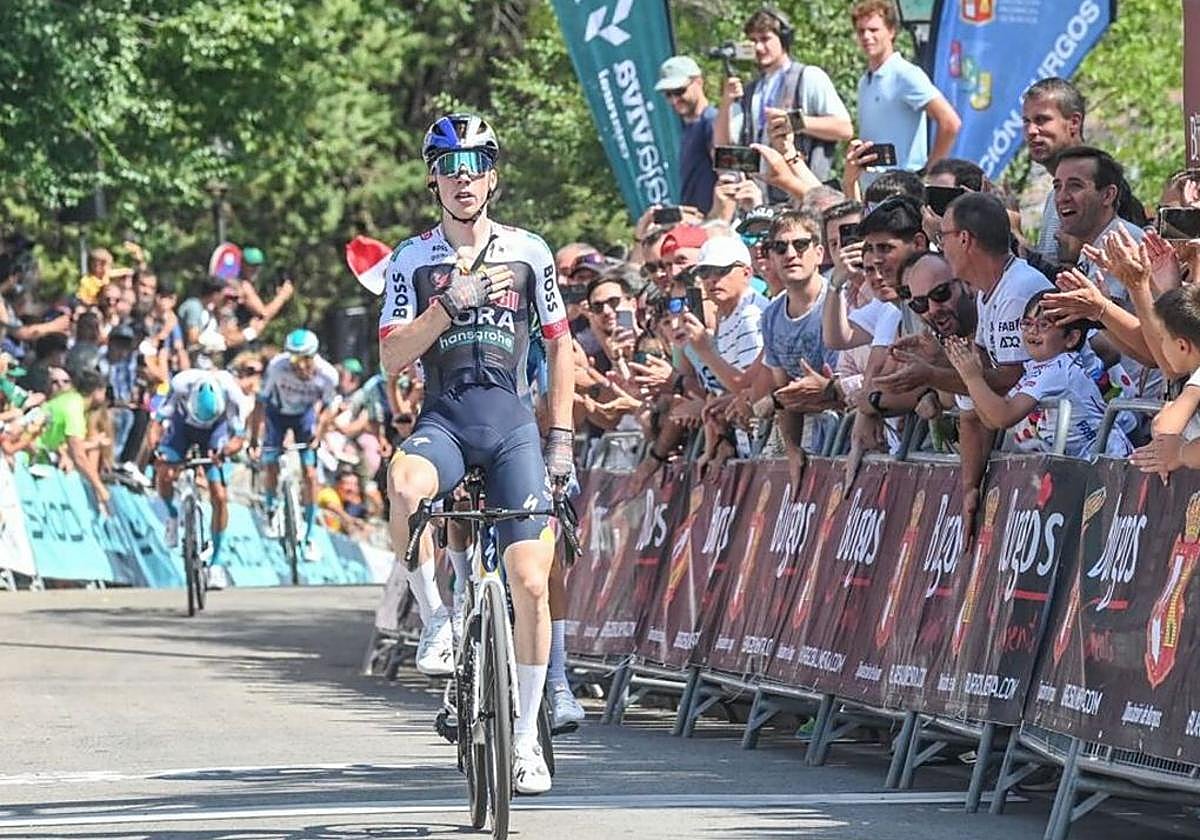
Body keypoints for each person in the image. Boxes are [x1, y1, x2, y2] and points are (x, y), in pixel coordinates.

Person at [378, 113, 573, 794]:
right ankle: (434, 618)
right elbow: (393, 359)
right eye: (450, 167)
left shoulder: (530, 250)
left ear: (492, 176)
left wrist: (564, 439)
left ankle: (526, 742)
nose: (464, 179)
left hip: (515, 428)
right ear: (434, 178)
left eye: (476, 166)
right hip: (448, 423)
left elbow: (560, 344)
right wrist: (445, 310)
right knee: (403, 483)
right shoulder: (412, 258)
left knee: (529, 581)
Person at [940, 192, 1051, 532]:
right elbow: (974, 406)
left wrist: (929, 375)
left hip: (1065, 451)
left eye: (941, 236)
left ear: (964, 238)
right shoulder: (988, 293)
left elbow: (1005, 380)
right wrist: (970, 486)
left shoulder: (1019, 289)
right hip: (1032, 451)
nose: (940, 246)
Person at [946, 291, 1131, 458]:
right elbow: (989, 419)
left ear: (1071, 338)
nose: (1032, 331)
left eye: (1044, 325)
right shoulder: (1033, 367)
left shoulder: (1058, 367)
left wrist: (971, 377)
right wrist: (971, 377)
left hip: (1109, 460)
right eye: (1027, 323)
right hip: (1082, 465)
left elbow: (1003, 417)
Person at [715, 7, 853, 184]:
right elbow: (723, 147)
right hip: (761, 201)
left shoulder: (809, 76)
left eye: (765, 39)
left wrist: (794, 122)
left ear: (784, 39)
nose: (758, 47)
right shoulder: (751, 90)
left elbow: (844, 129)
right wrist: (726, 102)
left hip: (806, 195)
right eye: (753, 40)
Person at [250, 328, 338, 562]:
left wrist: (319, 433)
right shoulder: (278, 367)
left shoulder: (327, 375)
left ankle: (309, 536)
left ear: (314, 356)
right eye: (294, 359)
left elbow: (329, 408)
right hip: (276, 414)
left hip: (304, 418)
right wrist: (253, 440)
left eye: (304, 359)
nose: (299, 366)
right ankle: (270, 510)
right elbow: (260, 403)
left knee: (310, 474)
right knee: (270, 462)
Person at [153, 367, 246, 588]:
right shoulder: (180, 384)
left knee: (219, 496)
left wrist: (225, 452)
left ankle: (216, 564)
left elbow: (239, 439)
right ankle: (173, 516)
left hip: (215, 432)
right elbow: (156, 423)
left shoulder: (233, 395)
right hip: (182, 427)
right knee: (165, 472)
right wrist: (156, 451)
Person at [851, 0, 960, 173]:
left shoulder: (905, 74)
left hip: (903, 189)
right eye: (861, 31)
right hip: (871, 190)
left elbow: (950, 122)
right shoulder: (864, 82)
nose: (866, 36)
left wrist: (930, 172)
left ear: (892, 31)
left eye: (873, 30)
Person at [1021, 77, 1087, 262]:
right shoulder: (1054, 196)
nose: (1031, 131)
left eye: (1042, 120)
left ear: (1074, 122)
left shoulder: (1098, 188)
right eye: (1026, 121)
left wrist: (1013, 232)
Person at [37, 367, 111, 513]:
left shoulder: (66, 399)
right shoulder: (74, 407)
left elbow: (63, 444)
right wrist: (100, 489)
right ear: (97, 392)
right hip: (32, 461)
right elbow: (79, 455)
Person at [655, 55, 718, 213]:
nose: (675, 100)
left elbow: (728, 177)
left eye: (679, 91)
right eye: (668, 94)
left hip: (712, 223)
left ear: (698, 82)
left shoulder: (711, 121)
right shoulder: (687, 127)